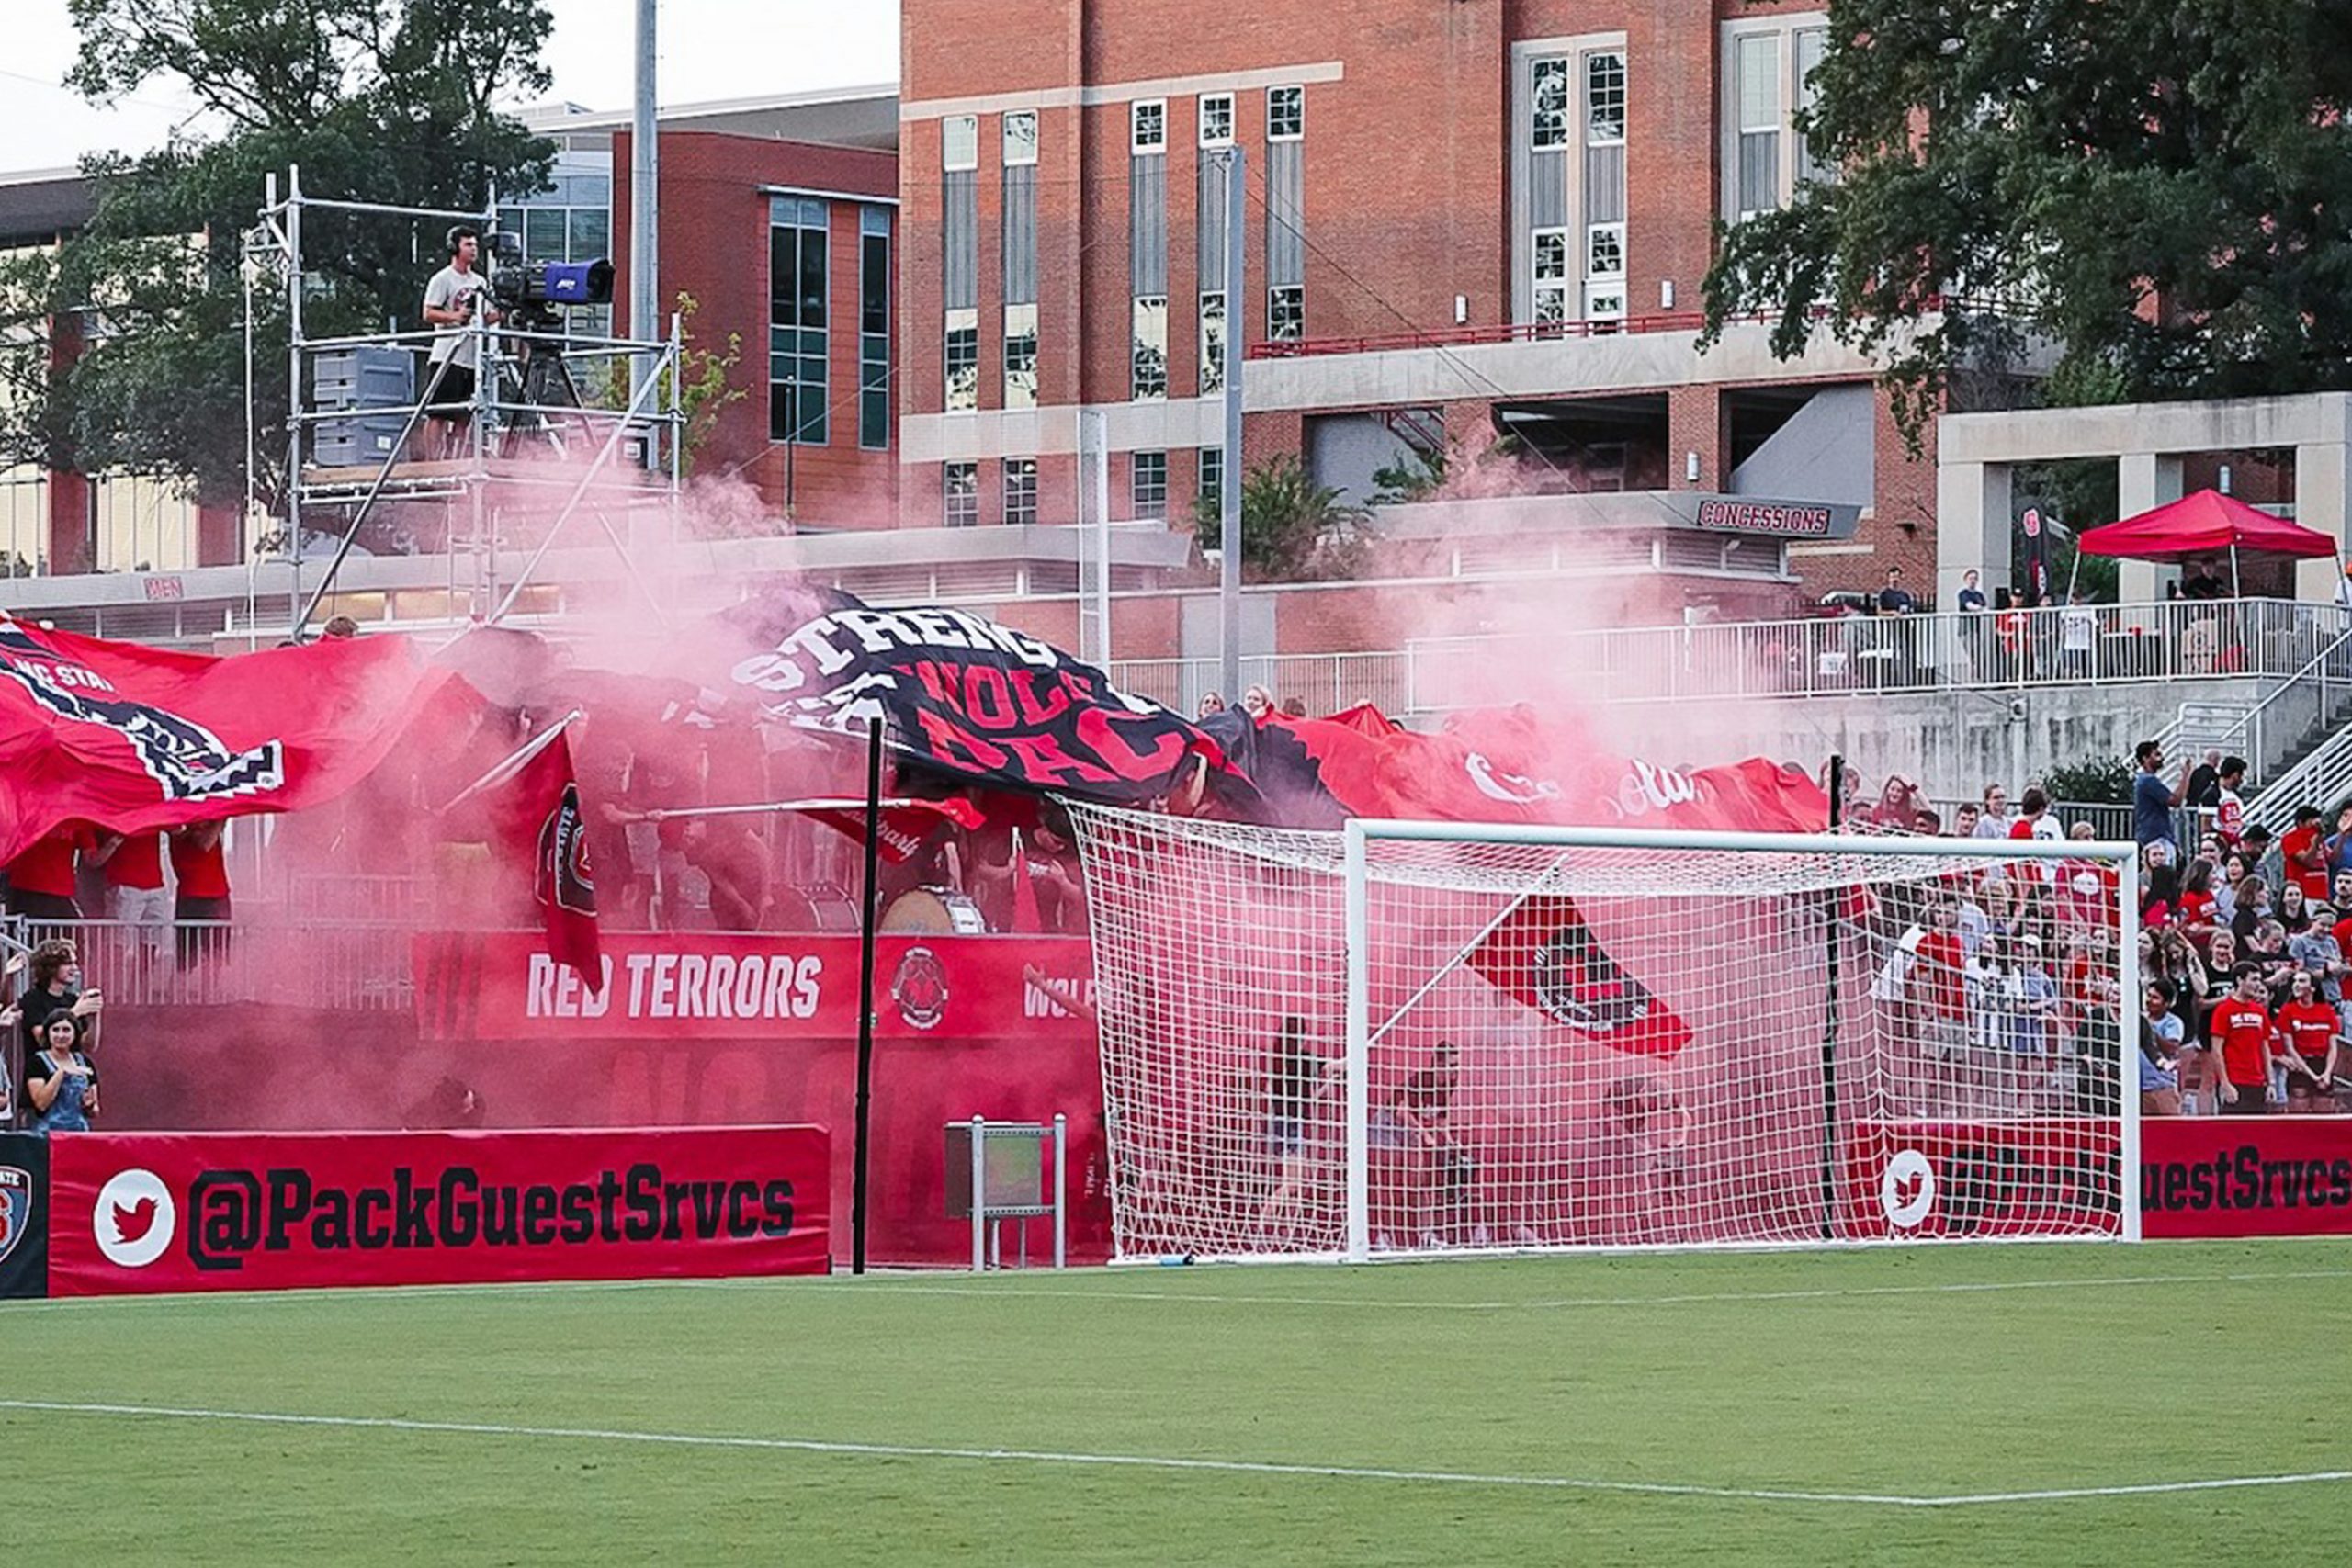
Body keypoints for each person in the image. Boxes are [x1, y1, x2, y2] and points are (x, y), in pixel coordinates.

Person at [421, 225, 500, 459]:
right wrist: (455, 317)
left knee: (464, 416)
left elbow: (484, 319)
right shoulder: (443, 278)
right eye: (468, 244)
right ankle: (432, 461)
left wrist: (505, 313)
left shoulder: (481, 282)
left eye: (475, 245)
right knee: (438, 413)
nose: (473, 249)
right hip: (447, 355)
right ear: (455, 247)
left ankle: (454, 459)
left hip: (471, 359)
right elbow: (428, 313)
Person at [2209, 964, 2278, 1115]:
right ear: (2240, 980)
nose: (2257, 984)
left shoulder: (2260, 1011)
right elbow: (2217, 1050)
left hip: (2258, 1081)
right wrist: (2225, 1083)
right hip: (2234, 1080)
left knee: (2257, 1132)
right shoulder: (2223, 1010)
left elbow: (2265, 1047)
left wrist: (2271, 1082)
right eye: (2253, 979)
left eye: (2259, 980)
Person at [99, 829, 170, 973]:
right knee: (119, 940)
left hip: (155, 884)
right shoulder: (117, 810)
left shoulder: (152, 809)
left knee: (151, 940)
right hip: (125, 883)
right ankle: (111, 985)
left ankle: (141, 986)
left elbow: (177, 829)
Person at [16, 939, 101, 1056]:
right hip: (42, 1070)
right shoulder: (33, 999)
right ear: (51, 967)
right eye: (68, 963)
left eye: (74, 963)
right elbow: (42, 1040)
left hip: (72, 1068)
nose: (74, 968)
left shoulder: (72, 1000)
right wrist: (75, 1012)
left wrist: (93, 1018)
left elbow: (88, 1046)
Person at [2273, 970, 2340, 1113]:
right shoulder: (2287, 1011)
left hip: (2322, 1063)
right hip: (2300, 1065)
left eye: (2302, 981)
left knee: (2324, 1116)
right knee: (2298, 1112)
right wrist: (2312, 1075)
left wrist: (2327, 1073)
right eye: (2295, 981)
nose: (2296, 985)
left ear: (2313, 988)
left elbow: (2333, 1046)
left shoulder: (2327, 1011)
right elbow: (2289, 1047)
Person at [21, 1010, 98, 1134]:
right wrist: (61, 1073)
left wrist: (89, 1105)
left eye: (66, 1030)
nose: (61, 1035)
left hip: (79, 1132)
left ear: (75, 1034)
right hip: (47, 1133)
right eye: (55, 1030)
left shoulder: (85, 1063)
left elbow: (95, 1111)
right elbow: (41, 1104)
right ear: (48, 1033)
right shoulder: (36, 1063)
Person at [170, 821, 233, 969]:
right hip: (192, 896)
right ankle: (179, 987)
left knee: (216, 953)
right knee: (186, 955)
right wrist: (220, 819)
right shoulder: (181, 832)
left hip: (218, 894)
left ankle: (210, 989)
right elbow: (205, 844)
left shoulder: (208, 827)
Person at [4, 825, 91, 921]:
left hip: (58, 889)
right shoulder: (26, 813)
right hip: (26, 886)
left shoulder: (76, 820)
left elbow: (91, 857)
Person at [2132, 739, 2190, 856]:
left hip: (2151, 835)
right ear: (2145, 758)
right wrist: (2185, 775)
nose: (2162, 758)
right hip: (2156, 837)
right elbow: (2175, 801)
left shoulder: (2143, 779)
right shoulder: (2148, 780)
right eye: (2157, 755)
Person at [2138, 979, 2185, 1117]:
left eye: (2155, 998)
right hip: (2139, 1089)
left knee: (2171, 1133)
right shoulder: (2138, 1019)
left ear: (2167, 1003)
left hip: (2163, 1088)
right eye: (2149, 996)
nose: (2149, 1001)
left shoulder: (2173, 1022)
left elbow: (2171, 1048)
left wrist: (2148, 1030)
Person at [2281, 806, 2333, 904]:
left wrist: (2342, 834)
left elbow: (2333, 858)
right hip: (2303, 893)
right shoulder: (2290, 838)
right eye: (2312, 822)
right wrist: (2314, 844)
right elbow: (2307, 861)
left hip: (2323, 892)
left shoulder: (2319, 839)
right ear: (2301, 823)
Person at [2213, 756, 2249, 850]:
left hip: (2236, 844)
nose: (2241, 780)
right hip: (2221, 846)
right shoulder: (2213, 793)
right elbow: (2206, 826)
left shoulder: (2237, 795)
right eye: (2241, 776)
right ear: (2235, 775)